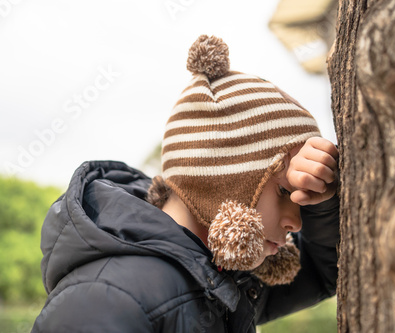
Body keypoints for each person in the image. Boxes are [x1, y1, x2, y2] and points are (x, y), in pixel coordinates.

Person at [31, 35, 340, 333]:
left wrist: (321, 198)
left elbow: (323, 267)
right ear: (222, 183)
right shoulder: (105, 298)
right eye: (285, 191)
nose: (296, 223)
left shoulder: (223, 278)